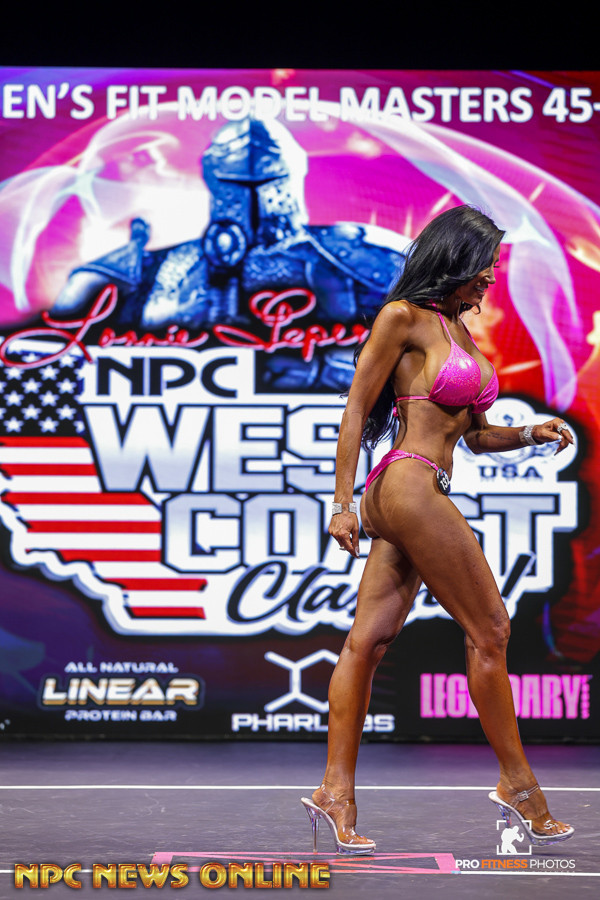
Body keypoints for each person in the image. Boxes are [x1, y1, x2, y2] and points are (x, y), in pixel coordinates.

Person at [300, 205, 575, 854]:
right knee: (491, 631)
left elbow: (474, 437)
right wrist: (341, 503)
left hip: (418, 488)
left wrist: (529, 433)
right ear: (455, 258)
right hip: (407, 485)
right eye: (485, 265)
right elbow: (355, 410)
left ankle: (334, 793)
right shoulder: (404, 317)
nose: (491, 279)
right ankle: (519, 786)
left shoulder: (460, 332)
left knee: (367, 642)